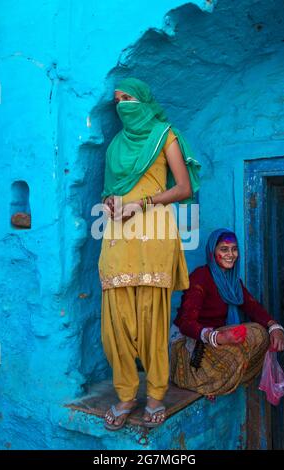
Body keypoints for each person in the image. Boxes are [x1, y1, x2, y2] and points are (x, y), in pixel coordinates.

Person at [98, 78, 201, 429]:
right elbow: (109, 191)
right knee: (116, 323)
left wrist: (138, 204)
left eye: (129, 98)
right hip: (117, 235)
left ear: (143, 100)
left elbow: (184, 188)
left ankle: (155, 395)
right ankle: (126, 394)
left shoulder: (163, 134)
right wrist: (110, 202)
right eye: (117, 100)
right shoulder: (114, 145)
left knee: (152, 321)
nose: (122, 104)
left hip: (153, 230)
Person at [170, 228, 284, 398]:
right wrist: (215, 337)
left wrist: (275, 327)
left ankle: (217, 382)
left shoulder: (232, 282)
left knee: (261, 334)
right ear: (212, 253)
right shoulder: (200, 277)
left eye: (234, 249)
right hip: (190, 342)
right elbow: (186, 323)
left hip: (213, 340)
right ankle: (205, 382)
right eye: (224, 249)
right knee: (241, 345)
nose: (230, 254)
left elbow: (252, 307)